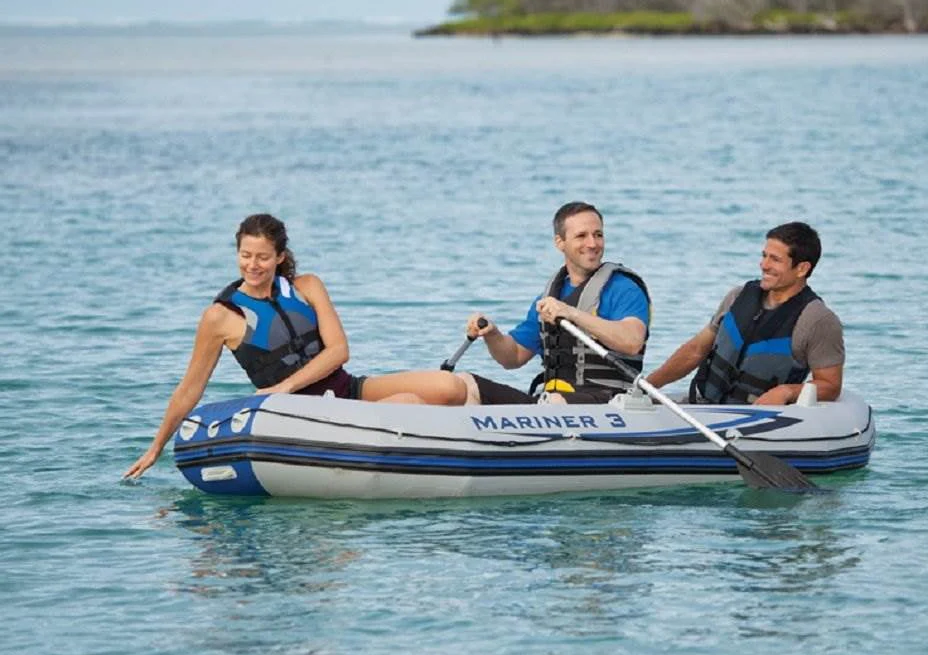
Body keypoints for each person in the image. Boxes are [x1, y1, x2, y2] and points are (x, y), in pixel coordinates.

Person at [124, 213, 467, 479]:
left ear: (279, 257)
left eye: (262, 257)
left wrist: (285, 384)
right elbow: (190, 388)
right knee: (409, 402)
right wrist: (156, 448)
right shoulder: (220, 316)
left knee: (450, 387)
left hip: (346, 389)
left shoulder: (308, 286)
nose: (252, 265)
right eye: (245, 255)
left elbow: (339, 351)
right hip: (300, 413)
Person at [458, 201, 651, 405]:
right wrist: (492, 335)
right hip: (551, 402)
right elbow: (513, 357)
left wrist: (572, 313)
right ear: (560, 242)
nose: (593, 244)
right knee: (464, 384)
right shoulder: (550, 297)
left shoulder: (624, 288)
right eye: (581, 236)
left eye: (598, 235)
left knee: (554, 401)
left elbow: (632, 342)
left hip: (610, 402)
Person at [646, 221, 843, 405]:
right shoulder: (738, 296)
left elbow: (830, 385)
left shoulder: (817, 320)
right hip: (705, 406)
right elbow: (696, 350)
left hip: (759, 418)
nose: (764, 265)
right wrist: (647, 385)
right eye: (764, 256)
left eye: (775, 259)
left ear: (802, 269)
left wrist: (786, 392)